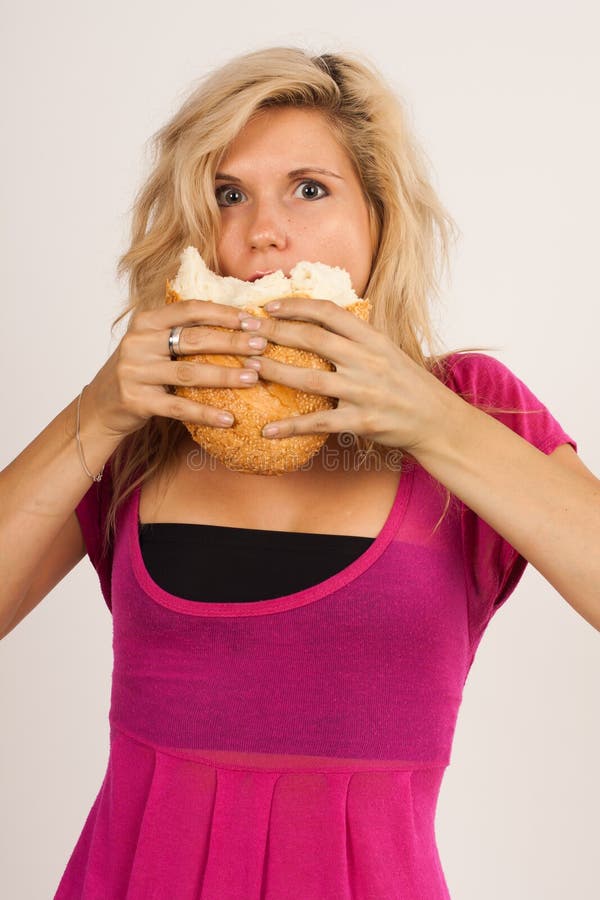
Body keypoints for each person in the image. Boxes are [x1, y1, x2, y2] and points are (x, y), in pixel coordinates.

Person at [1, 46, 598, 900]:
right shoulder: (145, 421)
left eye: (310, 189)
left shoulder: (469, 404)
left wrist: (431, 421)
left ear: (380, 219)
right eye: (227, 194)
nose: (262, 232)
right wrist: (94, 415)